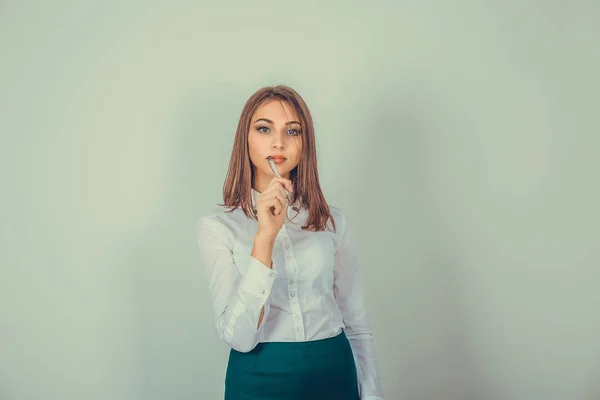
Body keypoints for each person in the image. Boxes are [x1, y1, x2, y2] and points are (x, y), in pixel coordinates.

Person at [195, 85, 384, 399]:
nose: (278, 142)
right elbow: (239, 338)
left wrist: (372, 395)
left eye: (292, 131)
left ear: (304, 143)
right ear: (245, 138)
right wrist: (265, 237)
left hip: (334, 372)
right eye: (264, 128)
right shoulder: (217, 227)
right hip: (258, 377)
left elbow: (357, 324)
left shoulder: (332, 221)